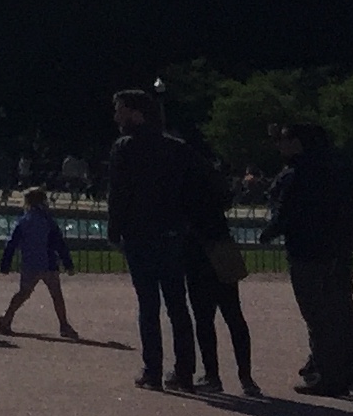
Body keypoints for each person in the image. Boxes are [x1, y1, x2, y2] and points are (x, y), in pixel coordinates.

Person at [104, 87, 200, 391]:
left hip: (139, 232)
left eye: (120, 109)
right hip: (170, 232)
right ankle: (184, 371)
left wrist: (114, 230)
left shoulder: (126, 147)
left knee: (148, 304)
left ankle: (152, 369)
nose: (116, 115)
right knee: (177, 304)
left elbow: (118, 193)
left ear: (136, 113)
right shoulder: (177, 148)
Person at [265, 119, 353, 397]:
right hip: (338, 246)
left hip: (308, 249)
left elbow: (283, 212)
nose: (279, 145)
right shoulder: (336, 166)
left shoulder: (297, 173)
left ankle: (328, 373)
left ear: (296, 142)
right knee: (341, 306)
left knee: (317, 312)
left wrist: (270, 232)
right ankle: (350, 365)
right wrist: (342, 221)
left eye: (284, 139)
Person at [181, 133, 258, 395]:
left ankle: (212, 375)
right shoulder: (213, 178)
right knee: (233, 315)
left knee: (204, 318)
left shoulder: (184, 181)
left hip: (197, 250)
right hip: (221, 244)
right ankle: (246, 376)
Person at [0, 187, 79, 337]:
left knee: (23, 293)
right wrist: (68, 264)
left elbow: (11, 243)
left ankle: (7, 318)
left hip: (30, 263)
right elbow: (59, 243)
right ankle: (63, 325)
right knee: (56, 295)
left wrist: (5, 263)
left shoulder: (23, 221)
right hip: (49, 263)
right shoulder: (48, 220)